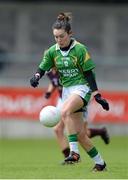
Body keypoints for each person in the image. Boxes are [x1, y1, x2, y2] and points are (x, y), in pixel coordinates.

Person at [30, 12, 109, 171]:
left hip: (82, 88)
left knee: (64, 111)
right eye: (56, 37)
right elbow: (43, 66)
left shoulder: (80, 49)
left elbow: (88, 73)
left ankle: (74, 153)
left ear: (70, 34)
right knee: (80, 135)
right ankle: (100, 163)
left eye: (61, 36)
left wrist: (97, 94)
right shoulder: (53, 51)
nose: (59, 40)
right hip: (67, 90)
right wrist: (36, 76)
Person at [44, 69, 110, 160]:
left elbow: (85, 79)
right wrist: (49, 92)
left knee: (82, 133)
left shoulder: (65, 67)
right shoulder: (50, 72)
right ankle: (69, 158)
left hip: (77, 99)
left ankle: (101, 132)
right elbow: (54, 82)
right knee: (58, 129)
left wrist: (90, 96)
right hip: (63, 100)